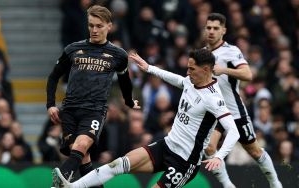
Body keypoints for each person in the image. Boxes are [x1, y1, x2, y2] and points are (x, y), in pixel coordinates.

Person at [55, 48, 240, 188]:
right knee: (117, 164)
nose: (188, 72)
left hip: (185, 162)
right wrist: (149, 68)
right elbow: (176, 79)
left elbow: (233, 131)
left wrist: (220, 156)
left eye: (192, 69)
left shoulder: (214, 99)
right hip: (167, 146)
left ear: (206, 69)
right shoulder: (191, 81)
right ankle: (73, 186)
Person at [46, 5, 140, 188]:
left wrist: (129, 101)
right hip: (70, 110)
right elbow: (53, 76)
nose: (94, 30)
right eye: (91, 25)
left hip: (94, 111)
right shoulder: (73, 49)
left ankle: (60, 182)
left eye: (99, 26)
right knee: (84, 159)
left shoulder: (118, 55)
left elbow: (124, 81)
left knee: (80, 147)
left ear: (109, 26)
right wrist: (50, 104)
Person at [203, 13, 282, 188]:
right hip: (215, 111)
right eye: (208, 27)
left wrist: (224, 70)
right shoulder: (202, 54)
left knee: (254, 151)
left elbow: (248, 74)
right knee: (209, 147)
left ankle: (275, 183)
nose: (211, 31)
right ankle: (228, 185)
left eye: (216, 28)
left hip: (234, 111)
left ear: (223, 30)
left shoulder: (231, 51)